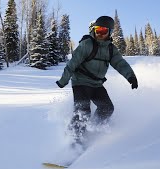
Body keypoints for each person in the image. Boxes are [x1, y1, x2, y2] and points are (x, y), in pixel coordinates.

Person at [56, 16, 138, 146]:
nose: (99, 34)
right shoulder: (87, 44)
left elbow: (120, 63)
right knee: (83, 110)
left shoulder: (111, 49)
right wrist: (63, 80)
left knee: (107, 108)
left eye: (103, 31)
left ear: (110, 32)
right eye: (97, 30)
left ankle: (91, 129)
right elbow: (73, 63)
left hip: (96, 84)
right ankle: (73, 140)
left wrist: (131, 77)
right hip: (80, 82)